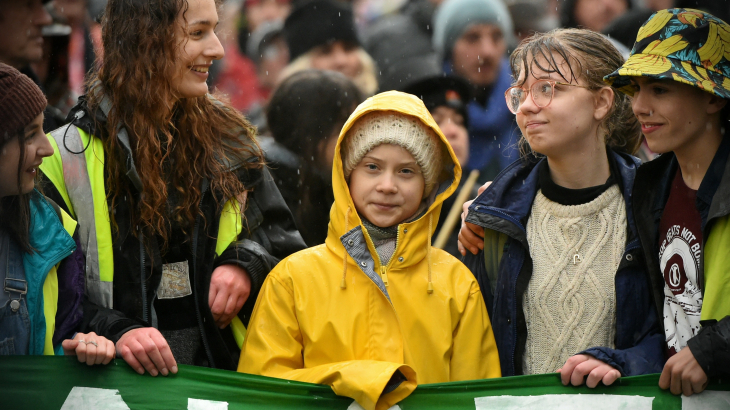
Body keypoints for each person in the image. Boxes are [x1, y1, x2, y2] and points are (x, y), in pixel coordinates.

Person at [39, 0, 306, 376]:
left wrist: (247, 264)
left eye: (214, 30)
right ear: (145, 41)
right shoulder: (61, 157)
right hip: (117, 390)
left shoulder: (231, 139)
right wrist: (115, 330)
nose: (216, 48)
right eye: (197, 33)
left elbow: (291, 254)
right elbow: (44, 296)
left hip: (226, 382)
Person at [238, 91, 501, 410]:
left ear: (428, 186)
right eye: (372, 167)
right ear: (347, 175)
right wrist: (356, 380)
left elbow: (476, 397)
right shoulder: (292, 279)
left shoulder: (457, 283)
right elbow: (263, 393)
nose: (388, 185)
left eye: (406, 171)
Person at [457, 29, 665, 385]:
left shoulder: (656, 206)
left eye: (548, 88)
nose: (526, 106)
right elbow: (473, 350)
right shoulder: (494, 219)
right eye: (521, 92)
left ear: (602, 102)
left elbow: (686, 335)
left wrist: (624, 364)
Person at [604, 8, 730, 396]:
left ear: (712, 99)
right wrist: (614, 362)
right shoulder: (651, 187)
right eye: (636, 89)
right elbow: (665, 324)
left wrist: (714, 350)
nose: (639, 106)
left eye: (659, 89)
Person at [0, 63, 114, 363]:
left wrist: (84, 344)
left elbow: (63, 333)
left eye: (44, 130)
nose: (47, 148)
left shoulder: (52, 228)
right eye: (29, 135)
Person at [263, 69, 364, 247]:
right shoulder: (273, 196)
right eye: (346, 127)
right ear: (311, 134)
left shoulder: (319, 187)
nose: (359, 141)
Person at [432, 0, 520, 179]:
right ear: (450, 48)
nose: (488, 51)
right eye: (473, 37)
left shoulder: (527, 104)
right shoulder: (426, 104)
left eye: (497, 37)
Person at [403, 75, 473, 257]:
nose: (453, 131)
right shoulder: (395, 202)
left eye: (459, 122)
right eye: (437, 120)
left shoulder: (480, 203)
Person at [280, 0, 379, 97]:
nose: (341, 61)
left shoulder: (381, 109)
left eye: (348, 49)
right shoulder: (284, 112)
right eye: (325, 52)